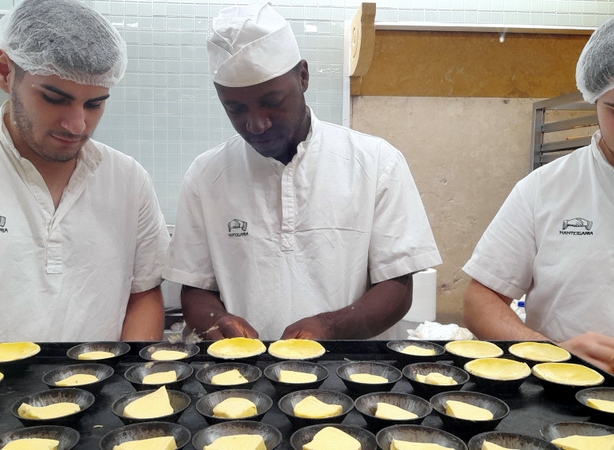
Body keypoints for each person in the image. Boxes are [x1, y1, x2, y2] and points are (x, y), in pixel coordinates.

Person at [0, 0, 169, 386]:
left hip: (96, 411)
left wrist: (125, 385)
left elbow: (143, 294)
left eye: (94, 104)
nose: (77, 124)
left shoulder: (128, 180)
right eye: (55, 98)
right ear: (5, 71)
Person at [461, 2, 614, 419]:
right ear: (595, 99)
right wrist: (549, 352)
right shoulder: (544, 188)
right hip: (552, 412)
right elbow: (482, 298)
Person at [163, 3, 441, 341]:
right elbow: (195, 288)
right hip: (245, 376)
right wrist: (215, 319)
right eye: (235, 109)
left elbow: (397, 286)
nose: (256, 123)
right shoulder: (207, 175)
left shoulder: (376, 162)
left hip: (348, 375)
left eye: (272, 101)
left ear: (303, 77)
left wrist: (329, 326)